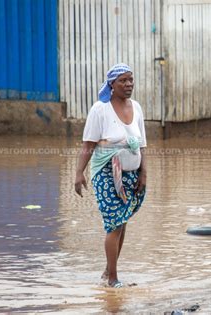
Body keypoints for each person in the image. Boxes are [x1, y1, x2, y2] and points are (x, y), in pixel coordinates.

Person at [74, 63, 147, 288]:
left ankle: (109, 270)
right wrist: (79, 173)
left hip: (131, 174)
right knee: (114, 223)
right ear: (112, 85)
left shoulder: (136, 107)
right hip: (106, 172)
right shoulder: (100, 109)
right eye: (123, 80)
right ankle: (113, 279)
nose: (128, 84)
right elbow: (88, 144)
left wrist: (144, 174)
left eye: (131, 80)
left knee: (122, 222)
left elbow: (142, 145)